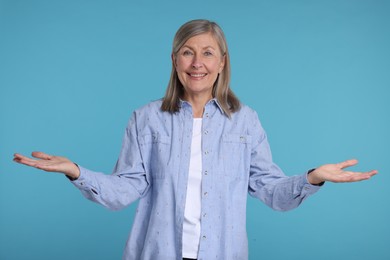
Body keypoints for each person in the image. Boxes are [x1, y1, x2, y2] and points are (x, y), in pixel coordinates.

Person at [13, 19, 377, 260]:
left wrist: (313, 177)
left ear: (222, 62)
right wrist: (76, 172)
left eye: (207, 53)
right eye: (188, 51)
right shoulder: (146, 118)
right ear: (175, 60)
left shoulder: (245, 121)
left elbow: (271, 191)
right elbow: (124, 189)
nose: (197, 62)